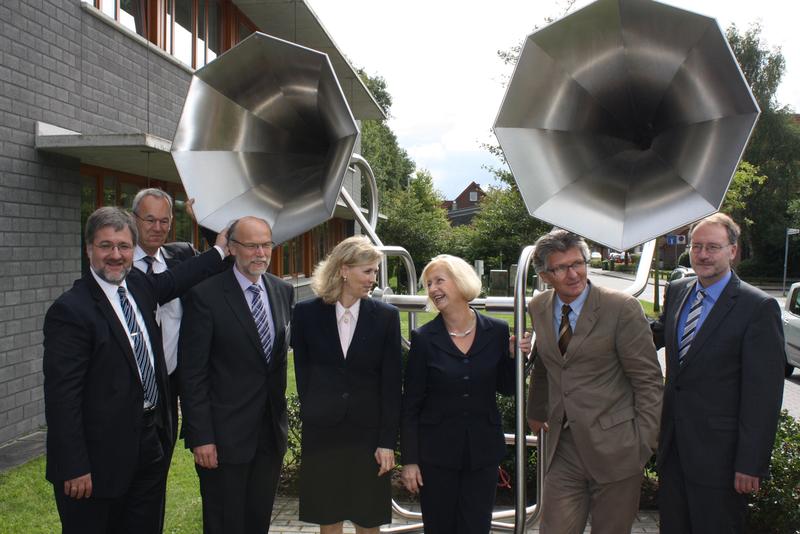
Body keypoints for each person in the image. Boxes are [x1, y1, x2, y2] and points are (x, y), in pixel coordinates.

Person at [42, 207, 226, 534]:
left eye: (124, 246)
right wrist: (73, 465)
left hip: (148, 445)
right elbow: (61, 399)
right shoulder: (70, 311)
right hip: (97, 461)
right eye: (106, 246)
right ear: (88, 250)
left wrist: (221, 250)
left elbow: (176, 279)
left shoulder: (139, 285)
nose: (116, 255)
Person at [652, 213, 785, 533]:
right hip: (674, 452)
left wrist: (750, 464)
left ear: (733, 251)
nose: (703, 254)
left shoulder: (758, 308)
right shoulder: (679, 291)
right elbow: (650, 335)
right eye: (697, 246)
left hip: (722, 463)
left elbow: (763, 396)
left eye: (713, 247)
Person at [526, 229, 663, 534]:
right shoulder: (538, 307)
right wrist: (535, 411)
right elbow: (546, 365)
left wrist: (642, 445)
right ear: (545, 275)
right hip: (564, 447)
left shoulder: (621, 308)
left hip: (617, 448)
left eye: (578, 263)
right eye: (560, 268)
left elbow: (648, 380)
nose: (573, 273)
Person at [400, 254, 531, 534]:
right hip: (435, 456)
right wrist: (410, 461)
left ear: (460, 282)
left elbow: (507, 388)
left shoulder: (496, 331)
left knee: (476, 527)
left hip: (482, 454)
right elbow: (410, 405)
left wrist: (512, 357)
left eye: (439, 281)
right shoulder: (423, 338)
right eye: (428, 284)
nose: (433, 289)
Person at [179, 216, 293, 534]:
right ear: (231, 248)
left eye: (266, 244)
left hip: (269, 435)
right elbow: (193, 374)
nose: (260, 253)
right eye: (251, 245)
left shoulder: (282, 291)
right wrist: (202, 437)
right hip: (224, 440)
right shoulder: (205, 296)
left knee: (257, 522)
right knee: (224, 524)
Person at [291, 236, 402, 533]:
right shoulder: (305, 314)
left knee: (369, 520)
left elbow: (392, 386)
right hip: (323, 434)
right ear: (343, 269)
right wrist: (316, 411)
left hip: (369, 437)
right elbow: (303, 375)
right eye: (367, 271)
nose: (373, 280)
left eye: (375, 272)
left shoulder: (386, 318)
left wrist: (387, 442)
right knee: (328, 517)